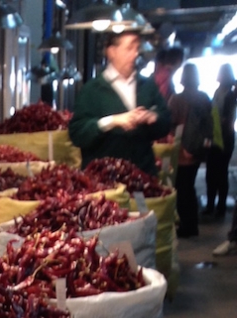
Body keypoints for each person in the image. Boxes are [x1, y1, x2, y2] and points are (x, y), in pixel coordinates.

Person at [69, 30, 171, 176]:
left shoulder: (147, 85)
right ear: (111, 52)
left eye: (137, 48)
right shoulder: (91, 90)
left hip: (143, 177)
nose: (135, 54)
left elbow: (166, 122)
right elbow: (77, 134)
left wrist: (153, 117)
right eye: (129, 48)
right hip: (104, 180)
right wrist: (111, 121)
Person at [171, 63, 213, 237]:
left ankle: (186, 226)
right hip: (197, 150)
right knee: (190, 187)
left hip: (182, 151)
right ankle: (192, 224)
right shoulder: (204, 98)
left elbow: (171, 126)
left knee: (181, 189)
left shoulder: (177, 99)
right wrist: (203, 147)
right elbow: (210, 125)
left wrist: (181, 148)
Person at [204, 63, 236, 218]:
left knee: (220, 174)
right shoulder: (219, 92)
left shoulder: (230, 95)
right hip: (216, 138)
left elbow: (228, 119)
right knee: (212, 173)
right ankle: (212, 205)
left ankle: (219, 207)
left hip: (224, 139)